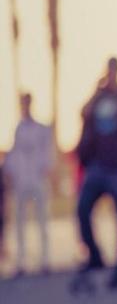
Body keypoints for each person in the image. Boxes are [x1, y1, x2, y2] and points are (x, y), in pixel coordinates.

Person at [73, 57, 117, 289]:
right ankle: (95, 256)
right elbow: (83, 113)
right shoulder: (98, 98)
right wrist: (95, 90)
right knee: (82, 210)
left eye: (113, 71)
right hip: (96, 167)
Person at [4, 93, 53, 276]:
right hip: (21, 181)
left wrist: (45, 169)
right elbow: (14, 152)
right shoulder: (19, 129)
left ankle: (45, 260)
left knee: (42, 220)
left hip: (38, 180)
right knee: (20, 223)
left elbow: (48, 153)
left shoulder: (41, 129)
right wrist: (11, 173)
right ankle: (21, 262)